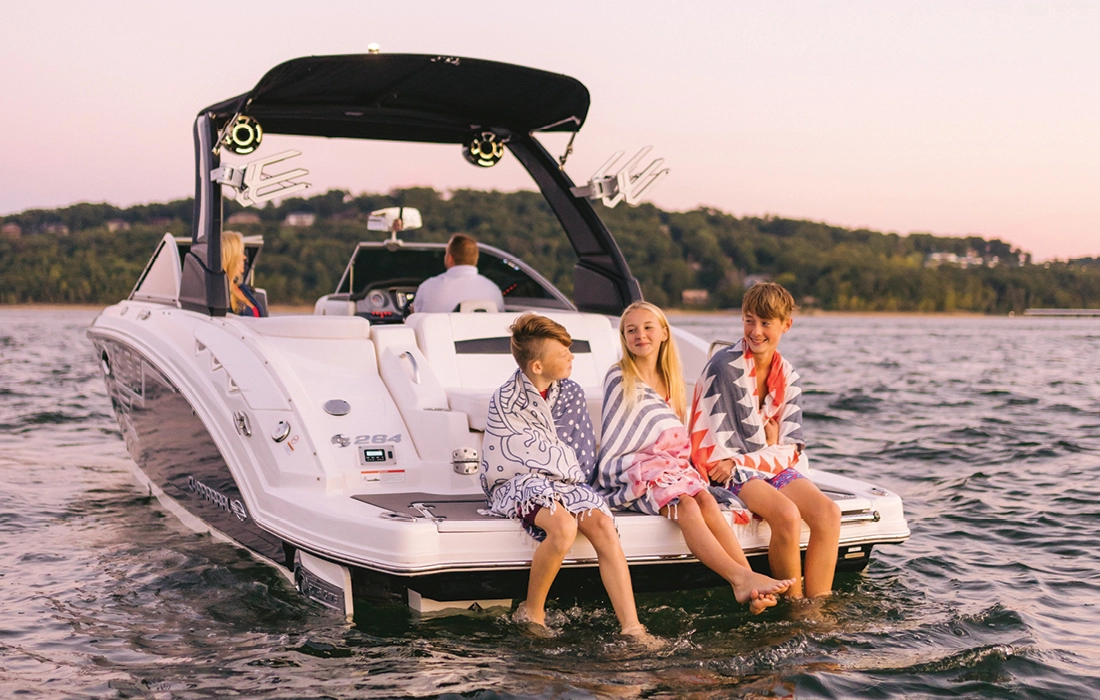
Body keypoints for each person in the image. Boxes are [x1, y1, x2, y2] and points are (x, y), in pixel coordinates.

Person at [596, 302, 793, 614]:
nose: (640, 335)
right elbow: (623, 437)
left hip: (668, 469)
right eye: (631, 329)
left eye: (648, 327)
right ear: (623, 337)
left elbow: (673, 437)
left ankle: (749, 583)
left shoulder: (671, 379)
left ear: (663, 333)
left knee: (704, 497)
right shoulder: (619, 377)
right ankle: (739, 579)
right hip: (630, 470)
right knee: (686, 503)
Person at [480, 313, 648, 637]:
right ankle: (533, 611)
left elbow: (580, 448)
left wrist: (572, 481)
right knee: (563, 526)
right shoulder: (505, 400)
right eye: (562, 353)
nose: (571, 357)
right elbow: (509, 455)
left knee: (602, 524)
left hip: (565, 479)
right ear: (537, 367)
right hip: (518, 481)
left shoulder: (570, 392)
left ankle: (632, 626)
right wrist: (551, 474)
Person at [689, 283, 840, 599]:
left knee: (828, 513)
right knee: (786, 514)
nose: (755, 331)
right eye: (749, 320)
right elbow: (712, 449)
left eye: (766, 323)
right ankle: (794, 604)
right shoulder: (723, 367)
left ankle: (819, 605)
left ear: (786, 325)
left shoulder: (788, 376)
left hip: (750, 463)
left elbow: (792, 447)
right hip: (725, 471)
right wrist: (762, 447)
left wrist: (753, 455)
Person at [412, 233, 505, 313]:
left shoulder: (428, 287)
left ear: (450, 258)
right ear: (476, 259)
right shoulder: (493, 290)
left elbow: (417, 321)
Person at [221, 230, 265, 317]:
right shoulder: (220, 293)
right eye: (241, 253)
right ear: (231, 257)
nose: (244, 257)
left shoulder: (242, 288)